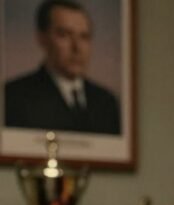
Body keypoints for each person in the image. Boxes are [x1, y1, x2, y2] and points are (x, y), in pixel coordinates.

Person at [4, 0, 121, 135]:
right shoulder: (14, 98)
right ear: (42, 38)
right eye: (64, 35)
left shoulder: (106, 102)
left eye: (84, 37)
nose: (77, 48)